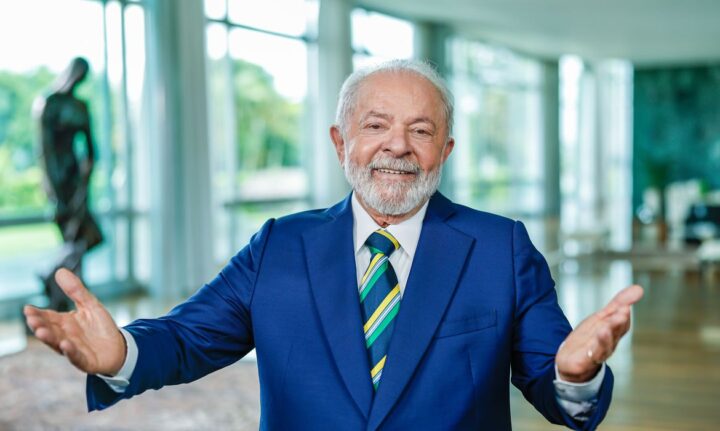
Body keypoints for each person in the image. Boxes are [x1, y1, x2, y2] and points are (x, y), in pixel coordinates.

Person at [24, 59, 643, 430]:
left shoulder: (501, 248)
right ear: (340, 142)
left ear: (445, 151)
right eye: (375, 126)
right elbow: (188, 338)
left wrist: (571, 374)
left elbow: (558, 388)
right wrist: (123, 354)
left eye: (420, 130)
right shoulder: (278, 246)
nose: (397, 146)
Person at [35, 56, 103, 311]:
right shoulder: (48, 103)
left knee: (86, 236)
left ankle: (58, 279)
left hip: (77, 177)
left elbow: (91, 150)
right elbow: (44, 150)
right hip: (57, 178)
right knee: (72, 235)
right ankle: (57, 281)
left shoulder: (80, 106)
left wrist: (84, 181)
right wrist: (54, 188)